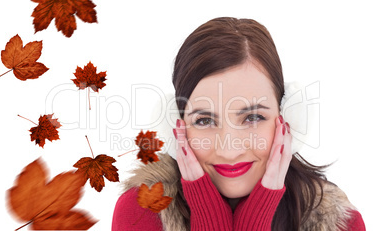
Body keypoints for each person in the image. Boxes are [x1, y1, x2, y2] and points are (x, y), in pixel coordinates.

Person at [112, 17, 365, 231]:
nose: (229, 150)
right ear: (176, 127)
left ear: (288, 118)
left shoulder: (339, 223)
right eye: (204, 120)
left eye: (253, 117)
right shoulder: (143, 211)